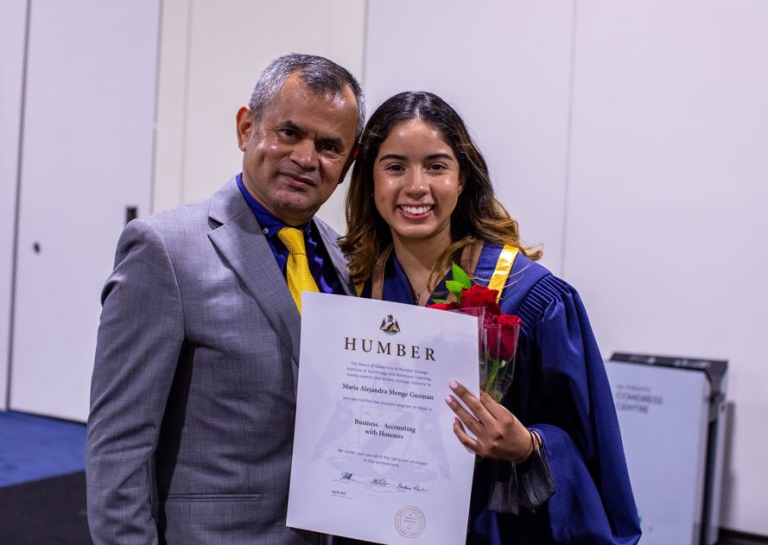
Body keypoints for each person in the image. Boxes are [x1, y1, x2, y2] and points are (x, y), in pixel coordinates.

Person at [338, 91, 641, 544]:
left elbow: (589, 445)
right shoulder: (353, 289)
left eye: (437, 166)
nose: (416, 186)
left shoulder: (532, 296)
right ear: (371, 180)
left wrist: (527, 446)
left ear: (462, 180)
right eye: (395, 165)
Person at [86, 53, 365, 544]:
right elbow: (118, 447)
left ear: (346, 165)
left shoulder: (345, 261)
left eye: (328, 146)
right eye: (289, 133)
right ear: (246, 128)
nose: (305, 158)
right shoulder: (164, 251)